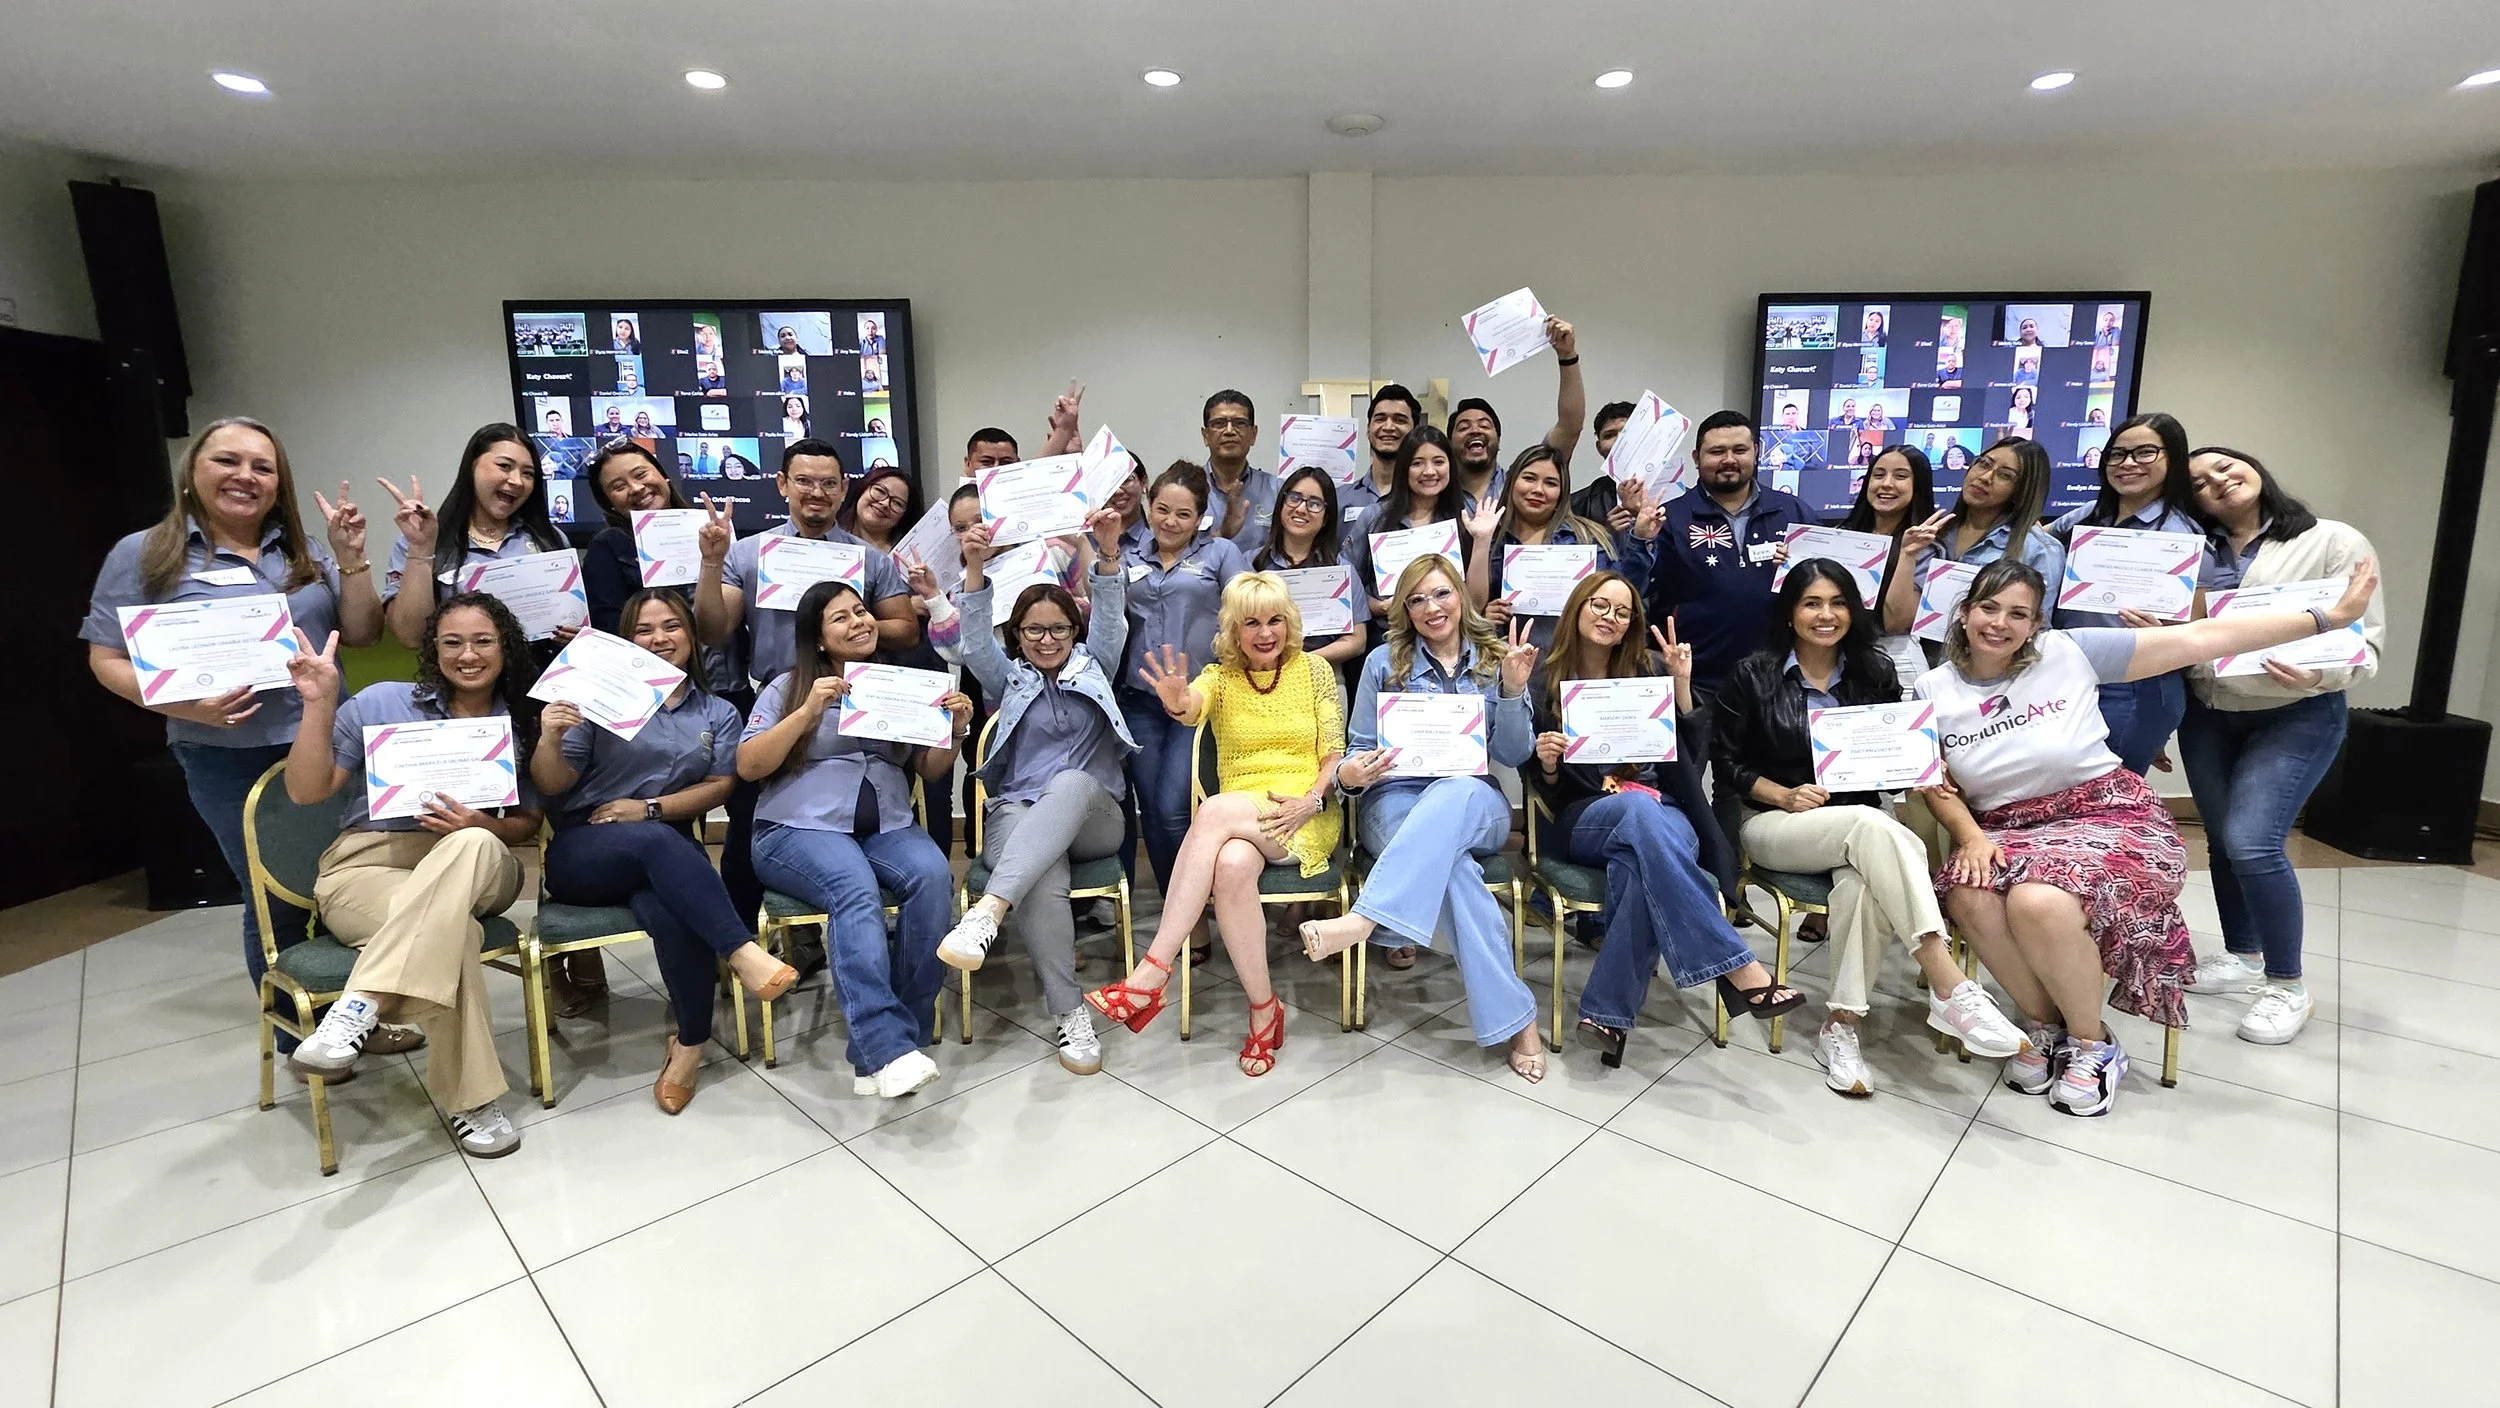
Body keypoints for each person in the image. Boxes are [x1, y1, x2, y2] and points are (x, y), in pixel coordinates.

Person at [1917, 557, 2377, 1115]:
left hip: (2106, 813)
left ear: (2036, 624)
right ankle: (2044, 1027)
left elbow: (2203, 637)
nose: (2000, 623)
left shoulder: (2071, 651)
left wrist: (2330, 618)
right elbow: (1935, 783)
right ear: (1964, 613)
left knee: (2039, 901)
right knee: (1968, 894)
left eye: (2018, 614)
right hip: (2006, 827)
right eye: (1988, 608)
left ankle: (2092, 1044)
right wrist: (1969, 837)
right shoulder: (1931, 688)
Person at [83, 418, 387, 1005]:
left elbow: (361, 632)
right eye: (227, 460)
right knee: (274, 894)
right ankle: (298, 1030)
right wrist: (188, 707)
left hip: (332, 742)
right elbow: (105, 659)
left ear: (278, 484)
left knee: (348, 878)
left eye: (262, 467)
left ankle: (360, 1016)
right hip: (226, 756)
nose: (245, 475)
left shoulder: (303, 550)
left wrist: (351, 559)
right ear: (191, 472)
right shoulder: (143, 553)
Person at [1713, 563, 2028, 1096]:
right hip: (1774, 824)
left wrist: (1920, 761)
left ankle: (1840, 1027)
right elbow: (1725, 765)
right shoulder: (1754, 673)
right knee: (1873, 823)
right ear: (1790, 612)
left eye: (1838, 602)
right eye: (1812, 603)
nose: (1827, 614)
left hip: (1858, 832)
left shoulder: (1874, 671)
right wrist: (1783, 795)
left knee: (1862, 885)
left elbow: (1893, 756)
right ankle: (1949, 984)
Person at [279, 594, 544, 1156]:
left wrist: (482, 823)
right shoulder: (381, 702)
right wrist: (318, 703)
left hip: (480, 863)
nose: (467, 655)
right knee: (453, 933)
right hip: (369, 865)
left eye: (483, 641)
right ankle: (473, 1102)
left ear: (506, 648)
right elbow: (305, 791)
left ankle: (359, 1003)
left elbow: (528, 823)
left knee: (471, 842)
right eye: (452, 642)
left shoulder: (521, 719)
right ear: (432, 649)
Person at [529, 589, 798, 1111]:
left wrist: (649, 808)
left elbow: (720, 786)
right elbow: (552, 784)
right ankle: (742, 953)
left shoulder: (717, 711)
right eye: (644, 629)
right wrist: (549, 738)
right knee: (664, 846)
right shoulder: (598, 700)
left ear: (691, 636)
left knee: (672, 906)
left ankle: (689, 1046)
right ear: (627, 641)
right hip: (584, 849)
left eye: (671, 626)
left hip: (666, 849)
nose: (659, 638)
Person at [1527, 572, 1804, 1064]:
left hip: (1664, 809)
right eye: (1599, 605)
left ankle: (1606, 1015)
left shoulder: (1652, 670)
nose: (1610, 617)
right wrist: (1548, 762)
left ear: (1632, 623)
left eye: (1623, 611)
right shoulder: (1543, 676)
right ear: (1577, 608)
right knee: (1638, 812)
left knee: (1638, 867)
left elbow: (1691, 761)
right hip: (1588, 814)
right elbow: (1543, 784)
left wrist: (1681, 687)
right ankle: (1738, 968)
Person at [1083, 574, 1345, 1077]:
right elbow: (1190, 707)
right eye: (1251, 623)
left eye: (1274, 621)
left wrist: (1311, 800)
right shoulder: (1219, 677)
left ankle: (1150, 975)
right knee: (1230, 865)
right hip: (1243, 820)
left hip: (1302, 812)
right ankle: (1265, 1011)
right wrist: (1175, 698)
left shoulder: (1314, 670)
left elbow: (1333, 754)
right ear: (1233, 629)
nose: (1265, 633)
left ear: (1289, 623)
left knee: (1214, 811)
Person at [1300, 556, 1549, 1079]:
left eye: (1441, 594)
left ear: (1460, 595)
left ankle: (1367, 919)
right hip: (1396, 801)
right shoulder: (1382, 663)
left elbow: (1514, 754)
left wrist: (1510, 690)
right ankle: (1518, 1020)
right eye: (1416, 600)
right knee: (1455, 873)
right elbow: (1354, 755)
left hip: (1475, 801)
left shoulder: (1496, 658)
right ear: (1405, 610)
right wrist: (1352, 773)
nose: (1431, 608)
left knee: (1456, 791)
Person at [2176, 447, 2383, 1044]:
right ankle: (2243, 955)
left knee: (2252, 841)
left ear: (2255, 468)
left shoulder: (2333, 540)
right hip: (2208, 711)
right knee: (2222, 840)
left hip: (2297, 713)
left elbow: (2366, 639)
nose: (2217, 482)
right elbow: (2186, 636)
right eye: (2198, 482)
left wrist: (2321, 673)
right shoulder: (2191, 547)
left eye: (2224, 467)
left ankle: (2287, 984)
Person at [737, 579, 972, 1098]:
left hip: (886, 825)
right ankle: (883, 1048)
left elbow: (930, 770)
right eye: (840, 617)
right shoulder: (788, 687)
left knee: (933, 875)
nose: (859, 622)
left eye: (861, 611)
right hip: (796, 829)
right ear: (818, 638)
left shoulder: (899, 685)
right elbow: (749, 765)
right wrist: (806, 713)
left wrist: (954, 729)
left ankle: (902, 1039)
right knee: (854, 887)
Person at [935, 509, 1132, 1074]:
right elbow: (974, 640)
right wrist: (975, 565)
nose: (1048, 640)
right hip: (1016, 813)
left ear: (1075, 631)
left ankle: (988, 911)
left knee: (1070, 781)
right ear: (1017, 636)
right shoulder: (1010, 679)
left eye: (1059, 629)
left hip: (1095, 817)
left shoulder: (1096, 666)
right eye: (1034, 631)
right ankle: (1071, 1016)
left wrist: (1107, 550)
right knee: (1042, 871)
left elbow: (1111, 616)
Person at [698, 439, 918, 922]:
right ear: (783, 484)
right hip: (778, 700)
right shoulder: (749, 553)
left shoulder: (869, 559)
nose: (816, 492)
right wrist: (712, 562)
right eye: (804, 481)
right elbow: (714, 630)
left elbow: (906, 629)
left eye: (828, 483)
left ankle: (860, 922)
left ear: (843, 489)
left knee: (860, 816)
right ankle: (742, 943)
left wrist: (847, 626)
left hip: (853, 699)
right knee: (748, 826)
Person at [2048, 412, 2224, 776]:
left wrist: (2163, 633)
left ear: (2173, 459)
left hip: (2132, 686)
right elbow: (2035, 542)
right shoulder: (2091, 515)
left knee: (2107, 796)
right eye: (2117, 454)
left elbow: (2194, 633)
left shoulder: (2184, 537)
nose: (2127, 463)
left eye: (2145, 452)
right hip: (2070, 673)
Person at [1117, 463, 1251, 895]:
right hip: (1139, 700)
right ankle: (1174, 904)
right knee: (1151, 810)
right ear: (1149, 505)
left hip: (1197, 699)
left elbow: (1247, 611)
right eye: (1162, 510)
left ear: (1200, 518)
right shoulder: (1126, 556)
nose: (1170, 522)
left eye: (1183, 514)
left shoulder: (1220, 554)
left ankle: (1193, 901)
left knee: (1174, 806)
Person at [1647, 411, 1814, 696]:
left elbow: (1825, 584)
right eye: (1717, 452)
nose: (1729, 459)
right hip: (1697, 679)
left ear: (1756, 452)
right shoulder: (1670, 519)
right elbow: (1642, 591)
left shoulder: (1793, 512)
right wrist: (1639, 539)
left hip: (1782, 677)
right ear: (1696, 458)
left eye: (1739, 450)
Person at [378, 424, 573, 650]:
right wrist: (421, 552)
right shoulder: (421, 541)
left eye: (528, 474)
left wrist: (575, 633)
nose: (517, 481)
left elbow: (571, 620)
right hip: (462, 668)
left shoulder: (550, 538)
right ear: (472, 467)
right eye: (504, 466)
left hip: (543, 669)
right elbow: (411, 637)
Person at [1467, 441, 1659, 650]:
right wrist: (1485, 616)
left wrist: (1640, 538)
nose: (1538, 490)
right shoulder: (1488, 539)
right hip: (1507, 657)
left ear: (1562, 492)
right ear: (1511, 483)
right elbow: (1468, 608)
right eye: (1529, 478)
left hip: (1580, 657)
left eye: (1550, 483)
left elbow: (1626, 593)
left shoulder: (1589, 537)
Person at [1882, 436, 2066, 648]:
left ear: (2022, 490)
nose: (1985, 477)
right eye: (1984, 463)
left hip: (1985, 665)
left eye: (2005, 475)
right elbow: (1896, 622)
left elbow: (2036, 636)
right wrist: (1907, 555)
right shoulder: (1933, 534)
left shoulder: (2039, 549)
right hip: (1918, 660)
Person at [1448, 315, 1586, 510]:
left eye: (1485, 425)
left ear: (1498, 439)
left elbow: (1570, 427)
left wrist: (1567, 356)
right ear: (1449, 442)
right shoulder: (1435, 493)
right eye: (1463, 427)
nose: (1475, 430)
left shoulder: (1522, 486)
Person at [1343, 425, 1472, 633]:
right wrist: (1378, 606)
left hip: (1449, 634)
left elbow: (1475, 596)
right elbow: (1346, 581)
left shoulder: (1466, 516)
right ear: (1404, 469)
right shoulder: (1375, 516)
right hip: (1387, 635)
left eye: (1438, 462)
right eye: (1417, 463)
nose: (1429, 471)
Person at [1838, 445, 1938, 692]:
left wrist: (1907, 555)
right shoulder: (1841, 535)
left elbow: (1896, 622)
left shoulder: (1927, 549)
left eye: (1900, 476)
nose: (1886, 484)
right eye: (1879, 474)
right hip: (1838, 659)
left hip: (1897, 662)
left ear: (1918, 486)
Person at [1252, 466, 1370, 672]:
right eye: (1294, 498)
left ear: (1326, 517)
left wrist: (1301, 662)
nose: (1301, 509)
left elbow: (1357, 640)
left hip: (1322, 673)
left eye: (1314, 503)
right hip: (1258, 672)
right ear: (1281, 504)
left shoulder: (1342, 570)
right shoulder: (1251, 564)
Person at [1201, 390, 1281, 555]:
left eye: (1239, 423)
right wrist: (1222, 534)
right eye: (1219, 423)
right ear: (1205, 435)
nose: (1229, 431)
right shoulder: (1185, 490)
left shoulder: (1277, 490)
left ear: (1253, 435)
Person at [1567, 399, 1640, 525]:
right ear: (1599, 447)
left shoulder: (1677, 494)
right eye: (1609, 435)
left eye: (1627, 432)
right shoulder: (1577, 506)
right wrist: (1606, 533)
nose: (1619, 441)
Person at [838, 464, 923, 556]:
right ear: (863, 489)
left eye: (897, 503)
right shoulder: (830, 537)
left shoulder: (911, 553)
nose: (885, 503)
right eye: (880, 491)